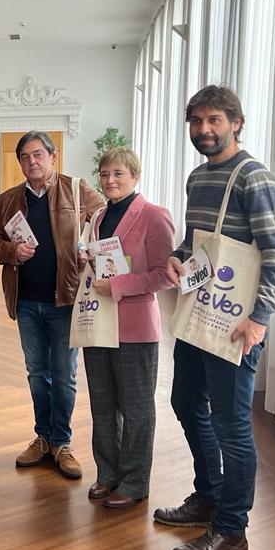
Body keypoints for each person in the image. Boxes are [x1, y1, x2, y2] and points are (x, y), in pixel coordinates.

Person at [157, 85, 275, 550]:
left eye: (214, 119)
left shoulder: (255, 177)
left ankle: (232, 531)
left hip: (237, 324)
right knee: (185, 401)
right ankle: (209, 495)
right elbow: (197, 242)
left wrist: (260, 319)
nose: (204, 129)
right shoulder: (198, 177)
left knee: (231, 425)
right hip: (201, 313)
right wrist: (176, 257)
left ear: (236, 123)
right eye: (196, 121)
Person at [0, 131, 105, 477]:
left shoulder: (76, 190)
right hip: (26, 302)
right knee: (37, 374)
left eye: (38, 154)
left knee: (64, 376)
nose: (32, 162)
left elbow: (107, 225)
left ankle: (62, 442)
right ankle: (43, 438)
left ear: (53, 157)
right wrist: (12, 251)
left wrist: (89, 252)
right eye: (25, 157)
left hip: (65, 300)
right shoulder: (9, 199)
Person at [78, 147, 174, 509]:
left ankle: (134, 482)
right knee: (103, 404)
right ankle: (107, 473)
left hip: (135, 327)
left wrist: (117, 285)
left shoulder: (154, 216)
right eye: (104, 174)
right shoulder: (99, 216)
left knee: (136, 408)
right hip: (98, 322)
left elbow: (164, 275)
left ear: (135, 176)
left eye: (118, 173)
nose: (110, 180)